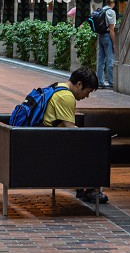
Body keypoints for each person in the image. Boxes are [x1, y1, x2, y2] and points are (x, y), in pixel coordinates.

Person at [34, 68, 105, 205]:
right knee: (95, 147)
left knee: (86, 143)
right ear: (79, 84)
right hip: (50, 144)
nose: (87, 96)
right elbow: (70, 129)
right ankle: (91, 190)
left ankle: (82, 187)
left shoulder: (57, 86)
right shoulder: (66, 97)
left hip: (44, 138)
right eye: (88, 91)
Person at [96, 0, 119, 88]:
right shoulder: (111, 12)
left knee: (100, 60)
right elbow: (112, 29)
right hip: (107, 37)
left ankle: (100, 82)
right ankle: (111, 82)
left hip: (100, 36)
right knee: (110, 59)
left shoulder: (101, 10)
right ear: (113, 3)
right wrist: (114, 43)